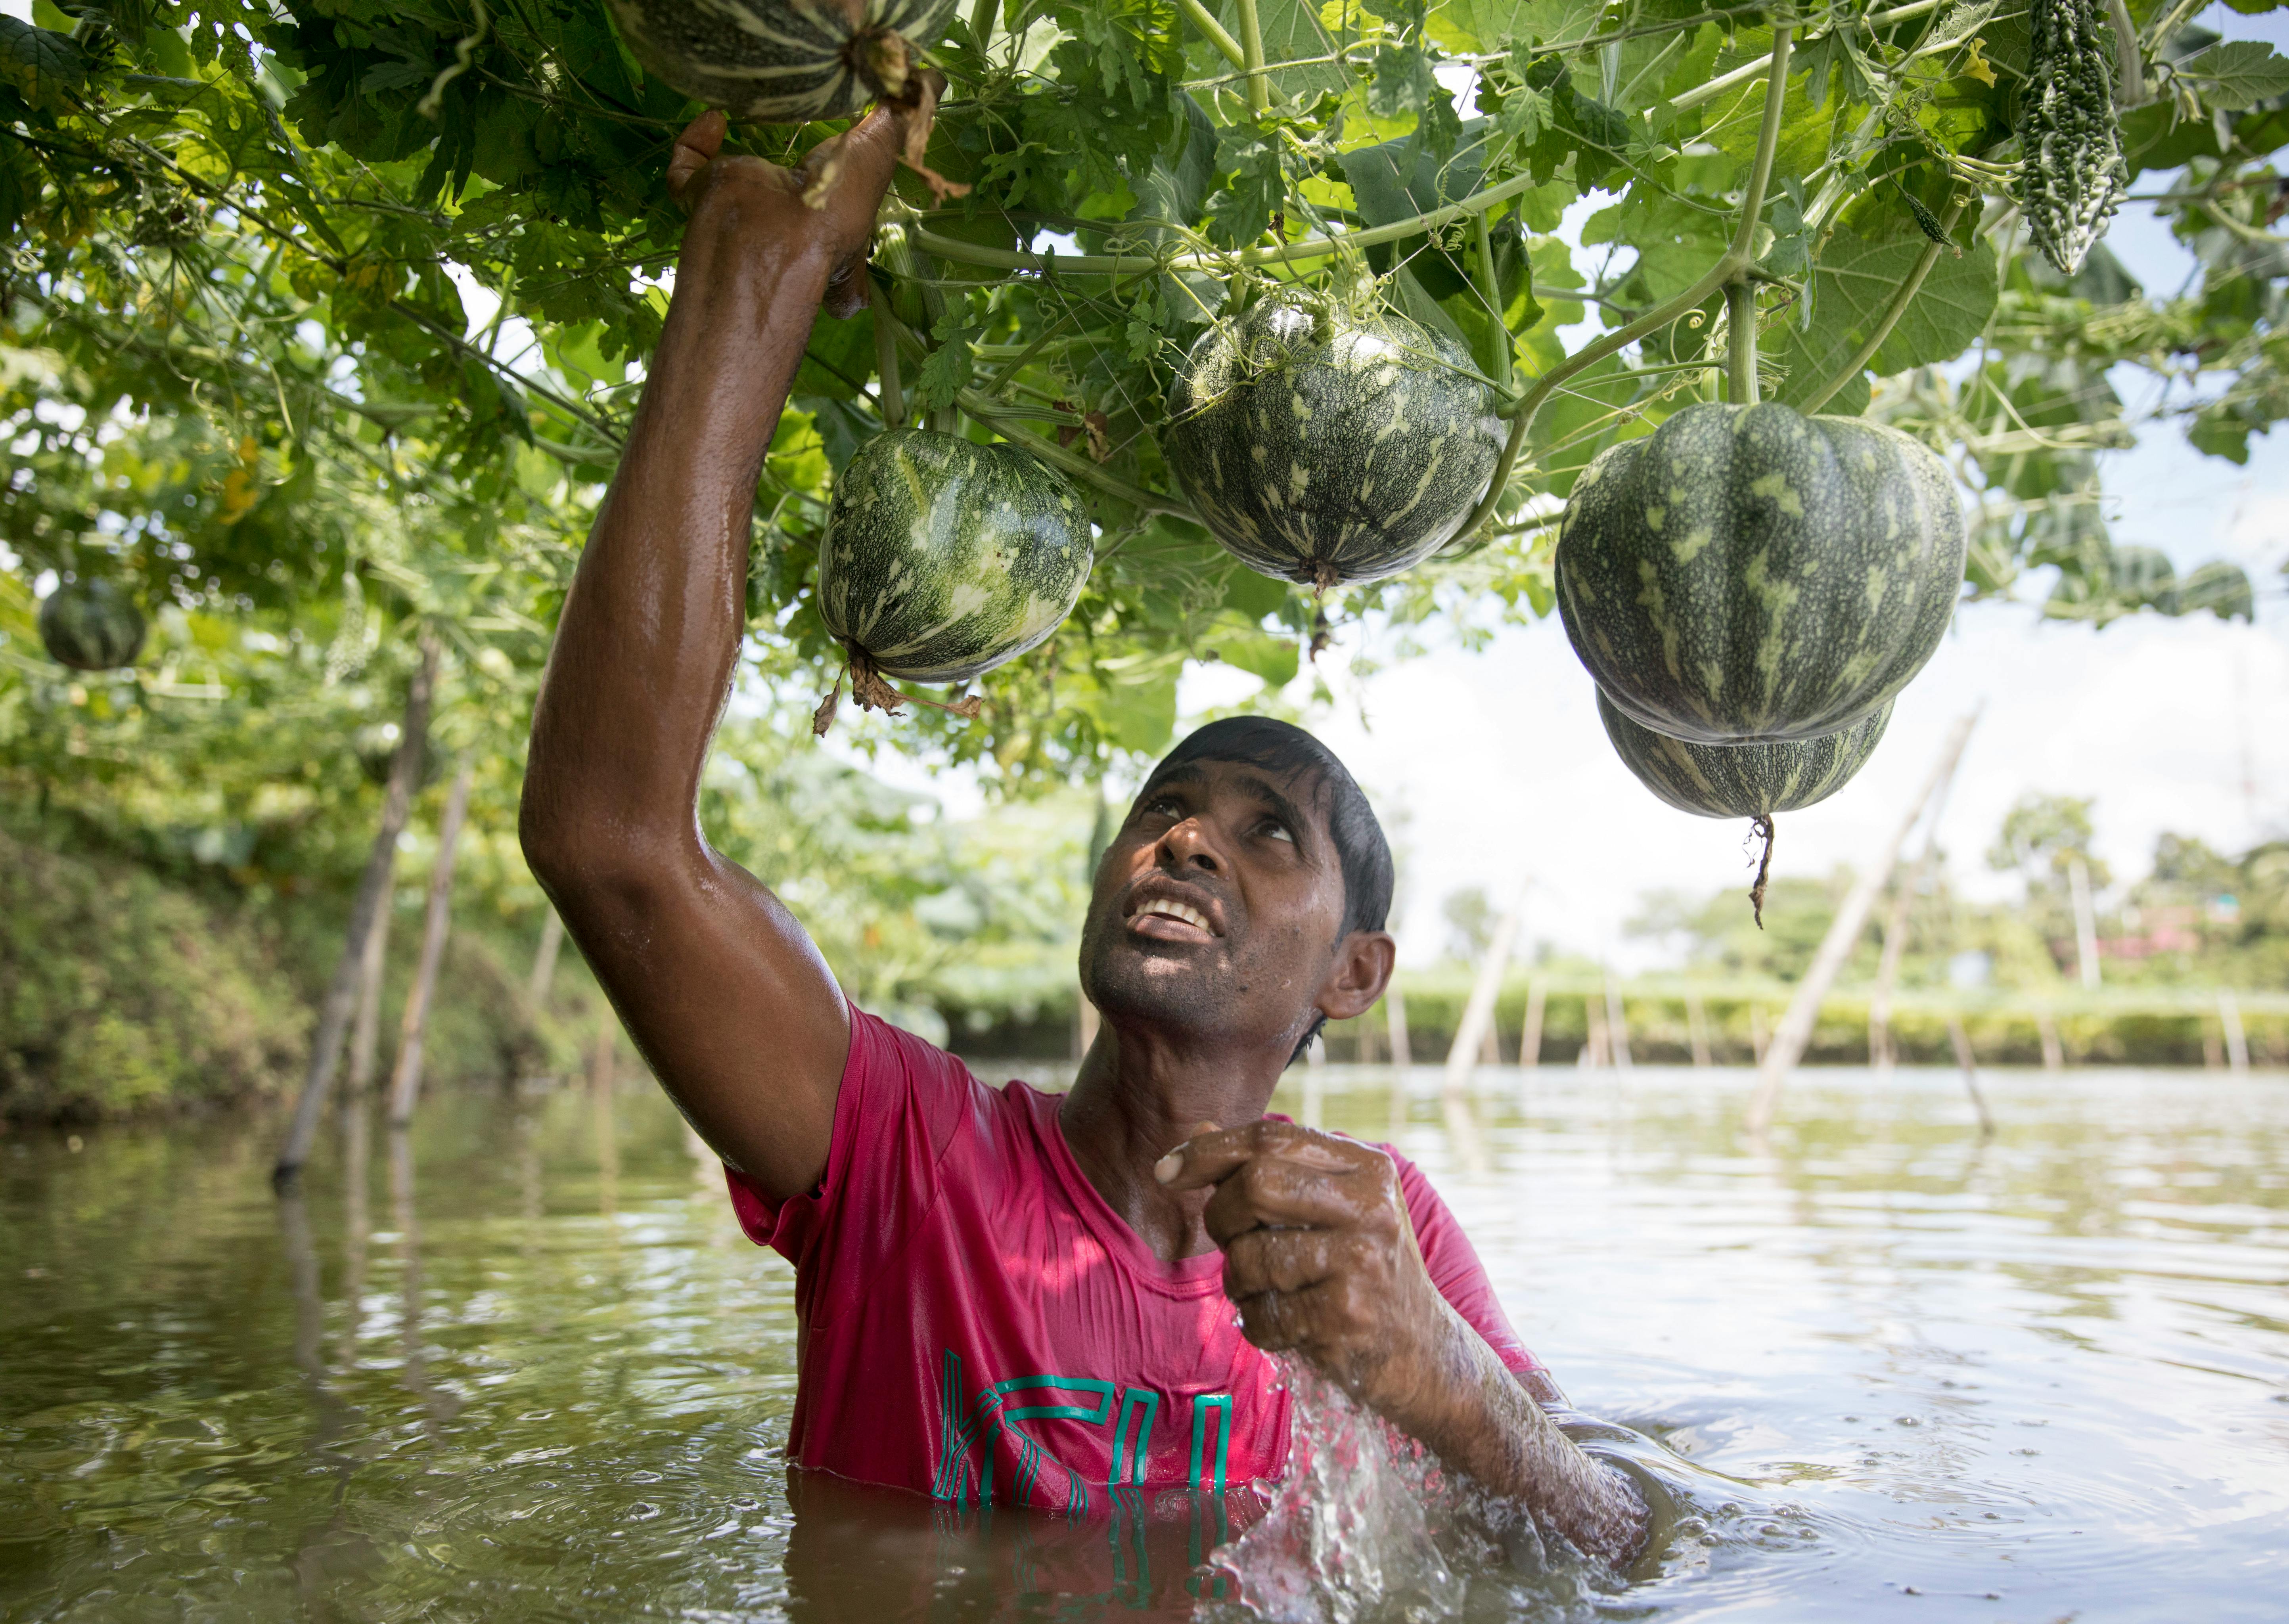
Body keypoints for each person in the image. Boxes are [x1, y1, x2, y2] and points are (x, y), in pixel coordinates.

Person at [518, 94, 1649, 1563]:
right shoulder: (900, 1152)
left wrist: (1437, 1372)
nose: (1189, 844)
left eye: (1269, 835)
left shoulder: (1383, 1233)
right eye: (1165, 812)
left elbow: (1612, 1541)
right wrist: (758, 270)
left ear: (1353, 974)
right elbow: (612, 842)